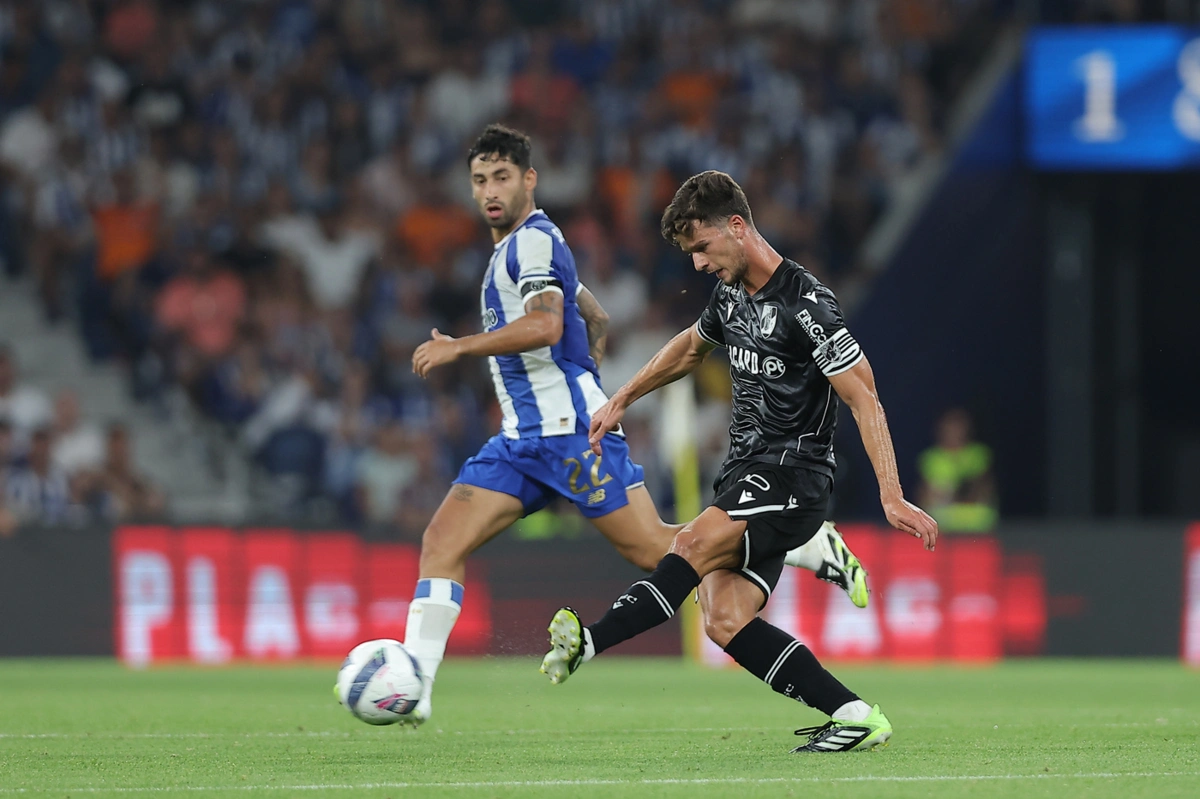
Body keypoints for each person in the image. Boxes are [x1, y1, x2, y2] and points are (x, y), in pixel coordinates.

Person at [402, 126, 869, 727]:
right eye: (480, 180)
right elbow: (587, 310)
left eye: (502, 177)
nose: (490, 191)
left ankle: (801, 541)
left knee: (661, 552)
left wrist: (467, 348)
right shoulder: (510, 251)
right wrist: (594, 358)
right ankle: (415, 687)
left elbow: (548, 325)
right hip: (520, 439)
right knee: (441, 542)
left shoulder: (535, 242)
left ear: (529, 180)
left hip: (571, 431)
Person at [540, 170, 938, 753]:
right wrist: (622, 396)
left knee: (688, 548)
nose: (698, 264)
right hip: (745, 476)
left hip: (793, 475)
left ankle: (591, 642)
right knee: (723, 618)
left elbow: (862, 394)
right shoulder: (730, 296)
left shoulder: (807, 303)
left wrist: (891, 493)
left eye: (702, 247)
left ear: (737, 226)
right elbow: (690, 346)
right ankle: (854, 714)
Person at [917, 408, 997, 533]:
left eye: (958, 428)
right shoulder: (931, 457)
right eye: (949, 428)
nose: (954, 432)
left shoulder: (978, 454)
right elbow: (925, 494)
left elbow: (983, 488)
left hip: (974, 517)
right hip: (943, 517)